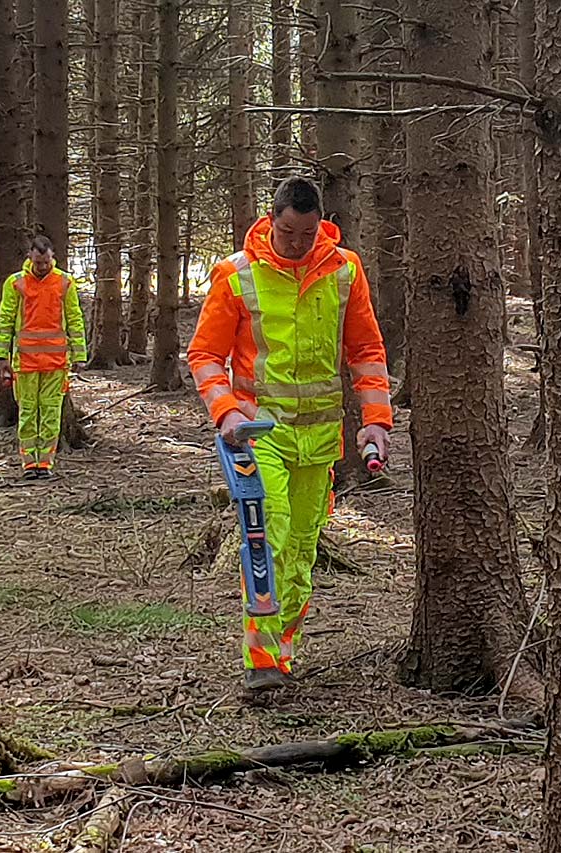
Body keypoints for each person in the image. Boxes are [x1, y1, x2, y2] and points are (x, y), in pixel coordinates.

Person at [187, 176, 393, 693]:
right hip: (260, 436)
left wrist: (376, 421)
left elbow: (366, 350)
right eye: (287, 232)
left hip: (321, 438)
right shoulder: (236, 276)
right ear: (271, 218)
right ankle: (260, 661)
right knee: (269, 536)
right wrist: (226, 412)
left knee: (302, 549)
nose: (297, 244)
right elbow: (205, 355)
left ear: (320, 224)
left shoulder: (344, 270)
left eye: (306, 234)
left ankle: (282, 652)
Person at [0, 235, 87, 478]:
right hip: (25, 362)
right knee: (27, 413)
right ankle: (28, 463)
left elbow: (75, 319)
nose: (42, 267)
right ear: (30, 258)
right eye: (38, 262)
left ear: (52, 257)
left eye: (46, 262)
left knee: (51, 413)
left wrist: (80, 354)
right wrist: (1, 357)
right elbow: (5, 321)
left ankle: (45, 463)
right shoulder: (16, 283)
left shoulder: (65, 282)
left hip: (56, 363)